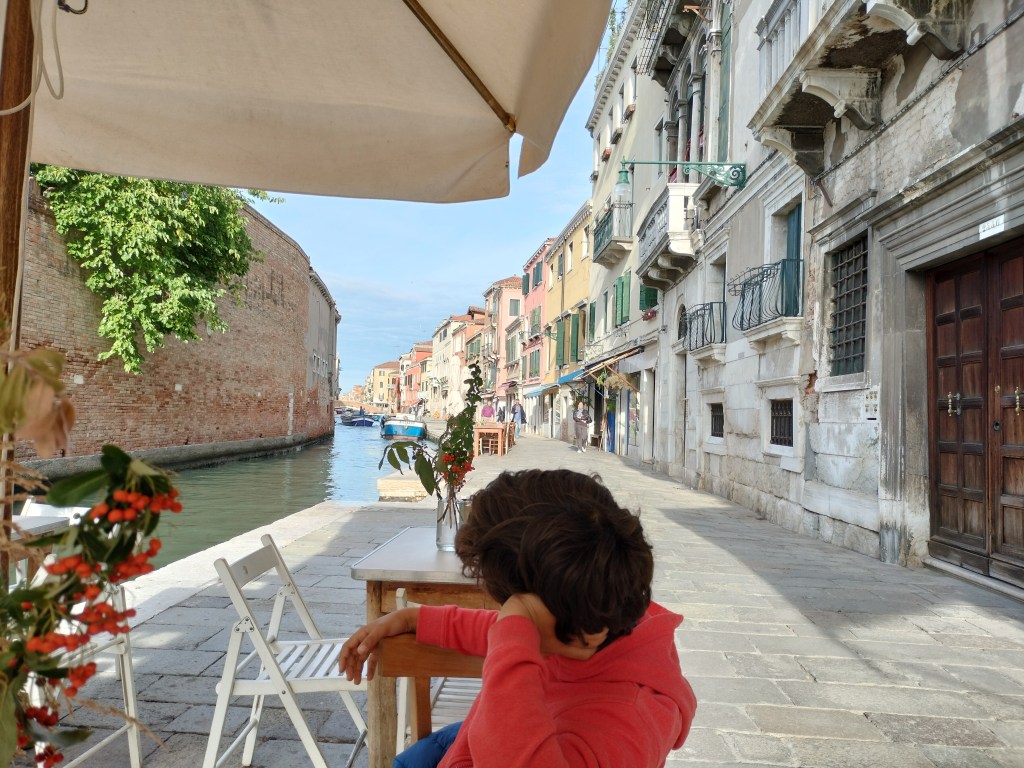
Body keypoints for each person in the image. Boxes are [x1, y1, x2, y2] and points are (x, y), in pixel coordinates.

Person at [339, 469, 696, 768]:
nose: (505, 617)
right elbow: (491, 631)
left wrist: (514, 629)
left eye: (511, 608)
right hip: (467, 740)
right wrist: (411, 619)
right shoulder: (586, 616)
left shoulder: (629, 727)